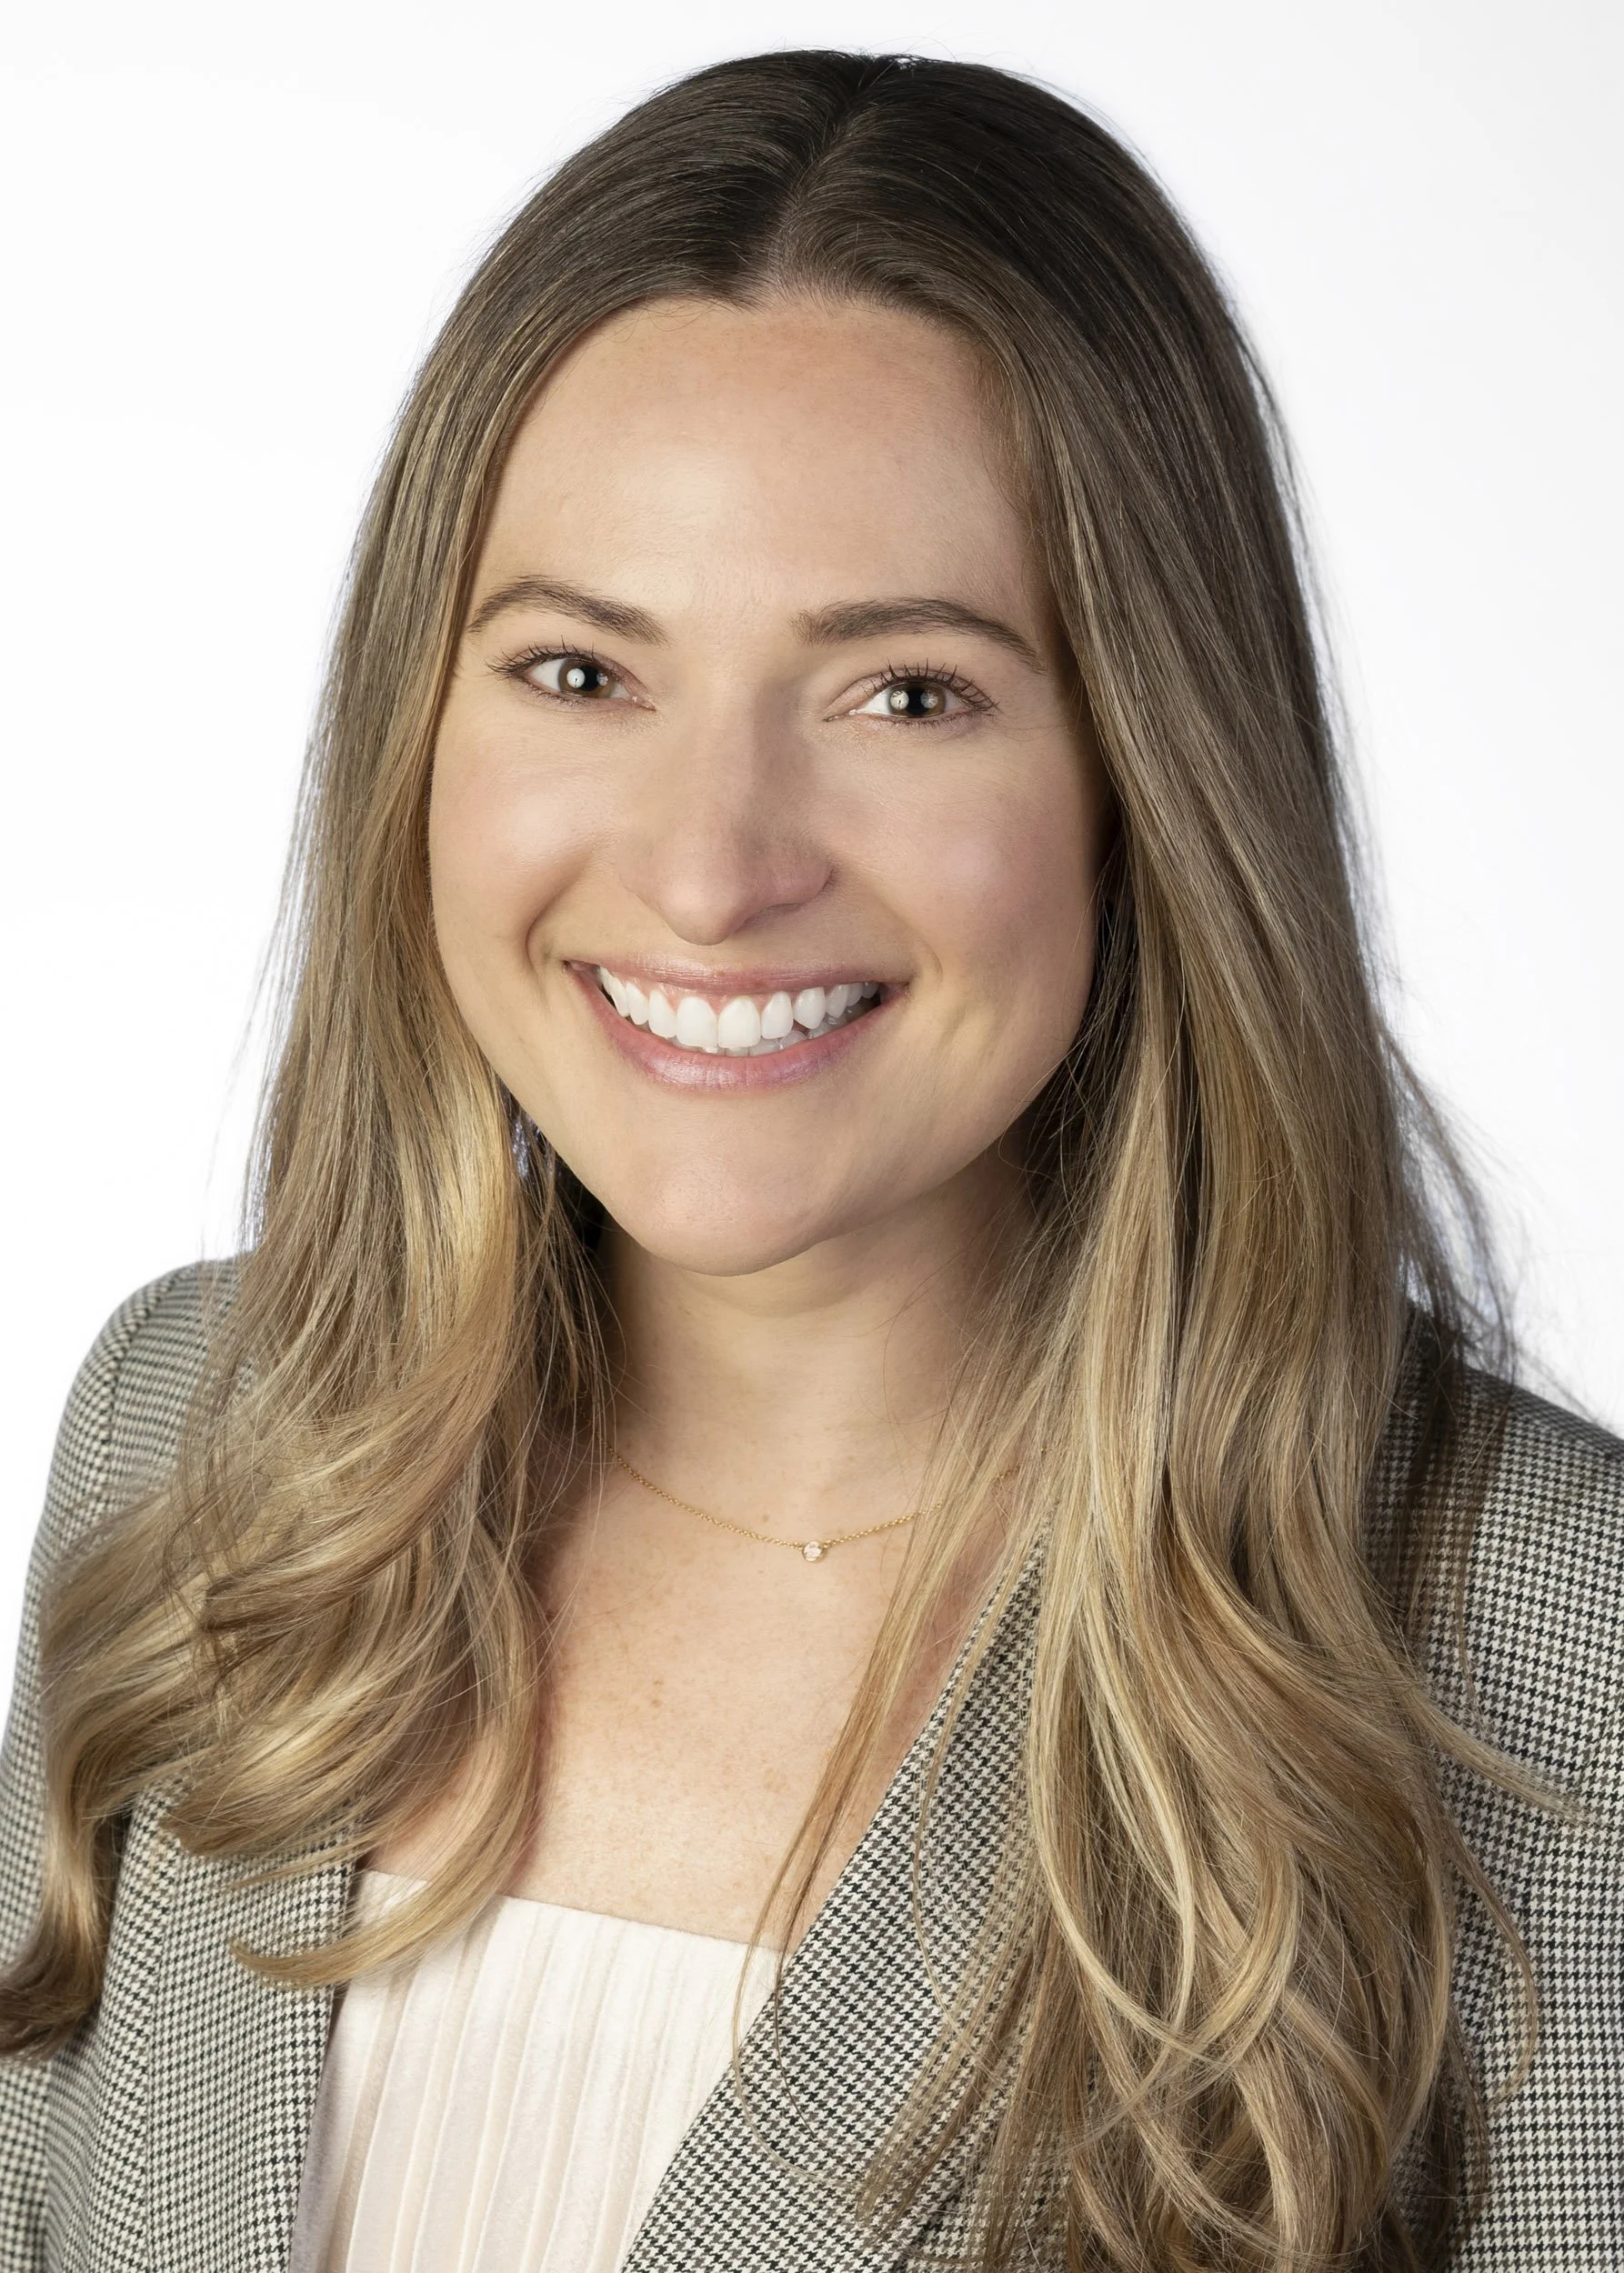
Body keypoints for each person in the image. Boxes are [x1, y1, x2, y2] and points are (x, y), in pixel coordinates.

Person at [1, 46, 1619, 2273]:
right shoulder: (191, 1441)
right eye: (580, 670)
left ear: (1148, 771)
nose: (707, 866)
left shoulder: (1540, 1656)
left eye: (906, 692)